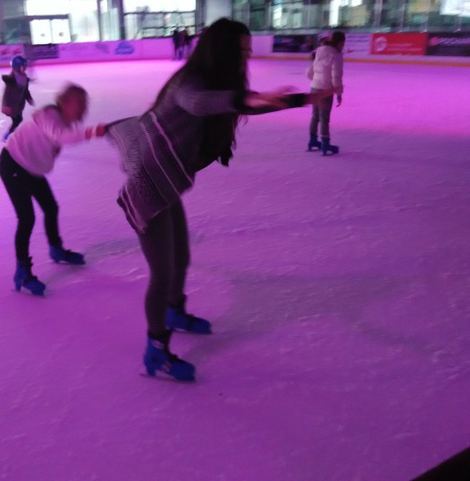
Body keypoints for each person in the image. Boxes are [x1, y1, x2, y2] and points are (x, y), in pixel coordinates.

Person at [106, 18, 337, 381]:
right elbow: (199, 103)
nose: (245, 58)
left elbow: (248, 104)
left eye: (247, 51)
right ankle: (156, 351)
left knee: (181, 259)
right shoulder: (189, 83)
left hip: (168, 183)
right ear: (221, 51)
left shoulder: (216, 84)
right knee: (162, 273)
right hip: (149, 186)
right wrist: (247, 98)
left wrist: (302, 99)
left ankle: (174, 312)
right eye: (240, 52)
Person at [0, 83, 106, 296]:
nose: (83, 109)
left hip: (31, 168)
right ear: (64, 103)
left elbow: (56, 142)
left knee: (51, 208)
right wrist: (92, 131)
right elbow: (62, 137)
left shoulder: (62, 122)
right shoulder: (49, 116)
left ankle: (56, 249)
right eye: (79, 104)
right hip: (13, 164)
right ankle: (22, 271)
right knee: (26, 218)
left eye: (85, 104)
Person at [306, 31, 346, 155]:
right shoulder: (336, 55)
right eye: (343, 43)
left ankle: (312, 141)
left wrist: (316, 80)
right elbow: (336, 76)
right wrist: (338, 93)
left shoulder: (319, 51)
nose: (343, 46)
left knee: (315, 115)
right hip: (326, 90)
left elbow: (309, 72)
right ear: (340, 42)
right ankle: (325, 143)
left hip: (314, 87)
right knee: (324, 117)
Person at [1, 55, 34, 141]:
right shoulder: (11, 80)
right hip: (11, 106)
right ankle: (8, 135)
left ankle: (10, 134)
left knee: (18, 119)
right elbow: (6, 94)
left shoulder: (24, 78)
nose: (25, 68)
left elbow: (25, 91)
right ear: (17, 67)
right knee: (18, 120)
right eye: (23, 66)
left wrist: (29, 98)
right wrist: (6, 105)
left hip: (18, 104)